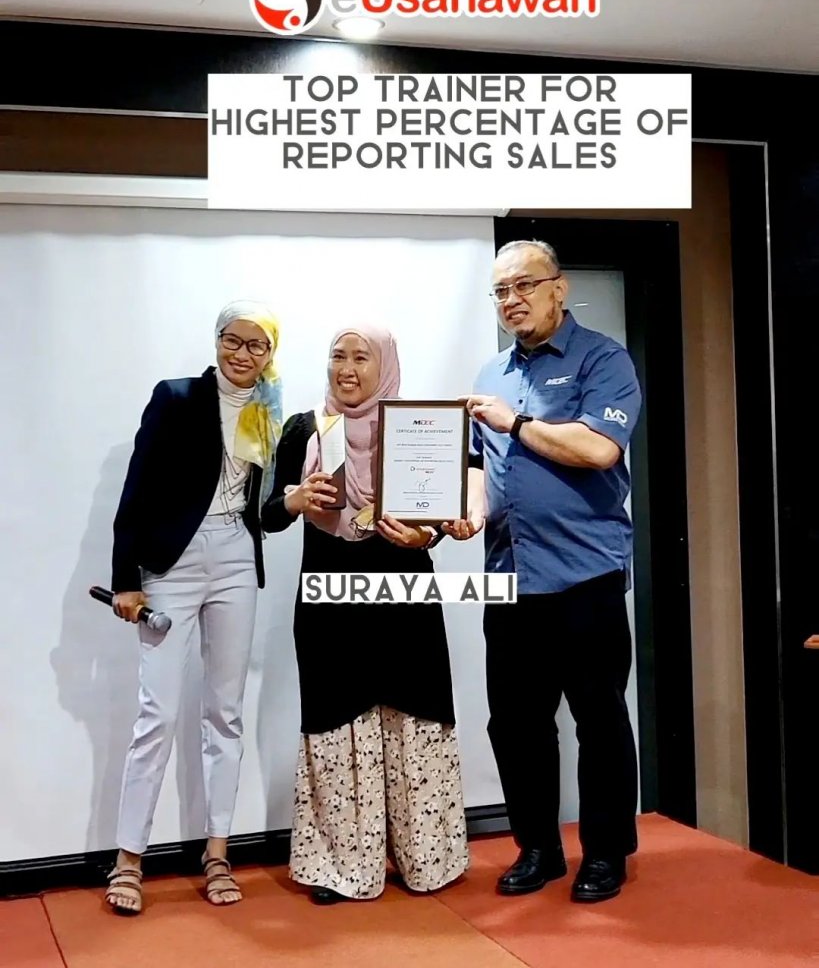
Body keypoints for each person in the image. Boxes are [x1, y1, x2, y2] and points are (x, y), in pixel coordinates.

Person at [450, 239, 642, 904]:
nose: (512, 300)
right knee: (515, 724)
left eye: (524, 285)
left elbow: (597, 447)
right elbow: (478, 467)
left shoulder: (602, 360)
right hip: (508, 576)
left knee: (598, 719)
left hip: (585, 574)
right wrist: (467, 513)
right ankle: (538, 848)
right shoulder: (492, 373)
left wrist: (517, 422)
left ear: (558, 288)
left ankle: (605, 853)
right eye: (501, 291)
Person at [261, 322, 470, 905]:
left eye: (361, 358)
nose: (347, 369)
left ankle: (426, 859)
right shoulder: (306, 427)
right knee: (337, 721)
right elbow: (268, 514)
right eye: (338, 356)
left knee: (415, 716)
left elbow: (443, 515)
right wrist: (294, 500)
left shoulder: (417, 428)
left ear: (385, 366)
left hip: (405, 599)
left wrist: (429, 533)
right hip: (330, 605)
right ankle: (342, 867)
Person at [104, 300, 283, 915]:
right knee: (157, 713)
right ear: (217, 341)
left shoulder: (270, 408)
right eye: (233, 340)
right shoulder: (176, 397)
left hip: (236, 556)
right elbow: (137, 487)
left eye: (257, 345)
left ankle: (218, 852)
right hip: (172, 561)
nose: (243, 353)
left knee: (225, 712)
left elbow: (265, 503)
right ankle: (129, 858)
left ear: (270, 353)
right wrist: (125, 579)